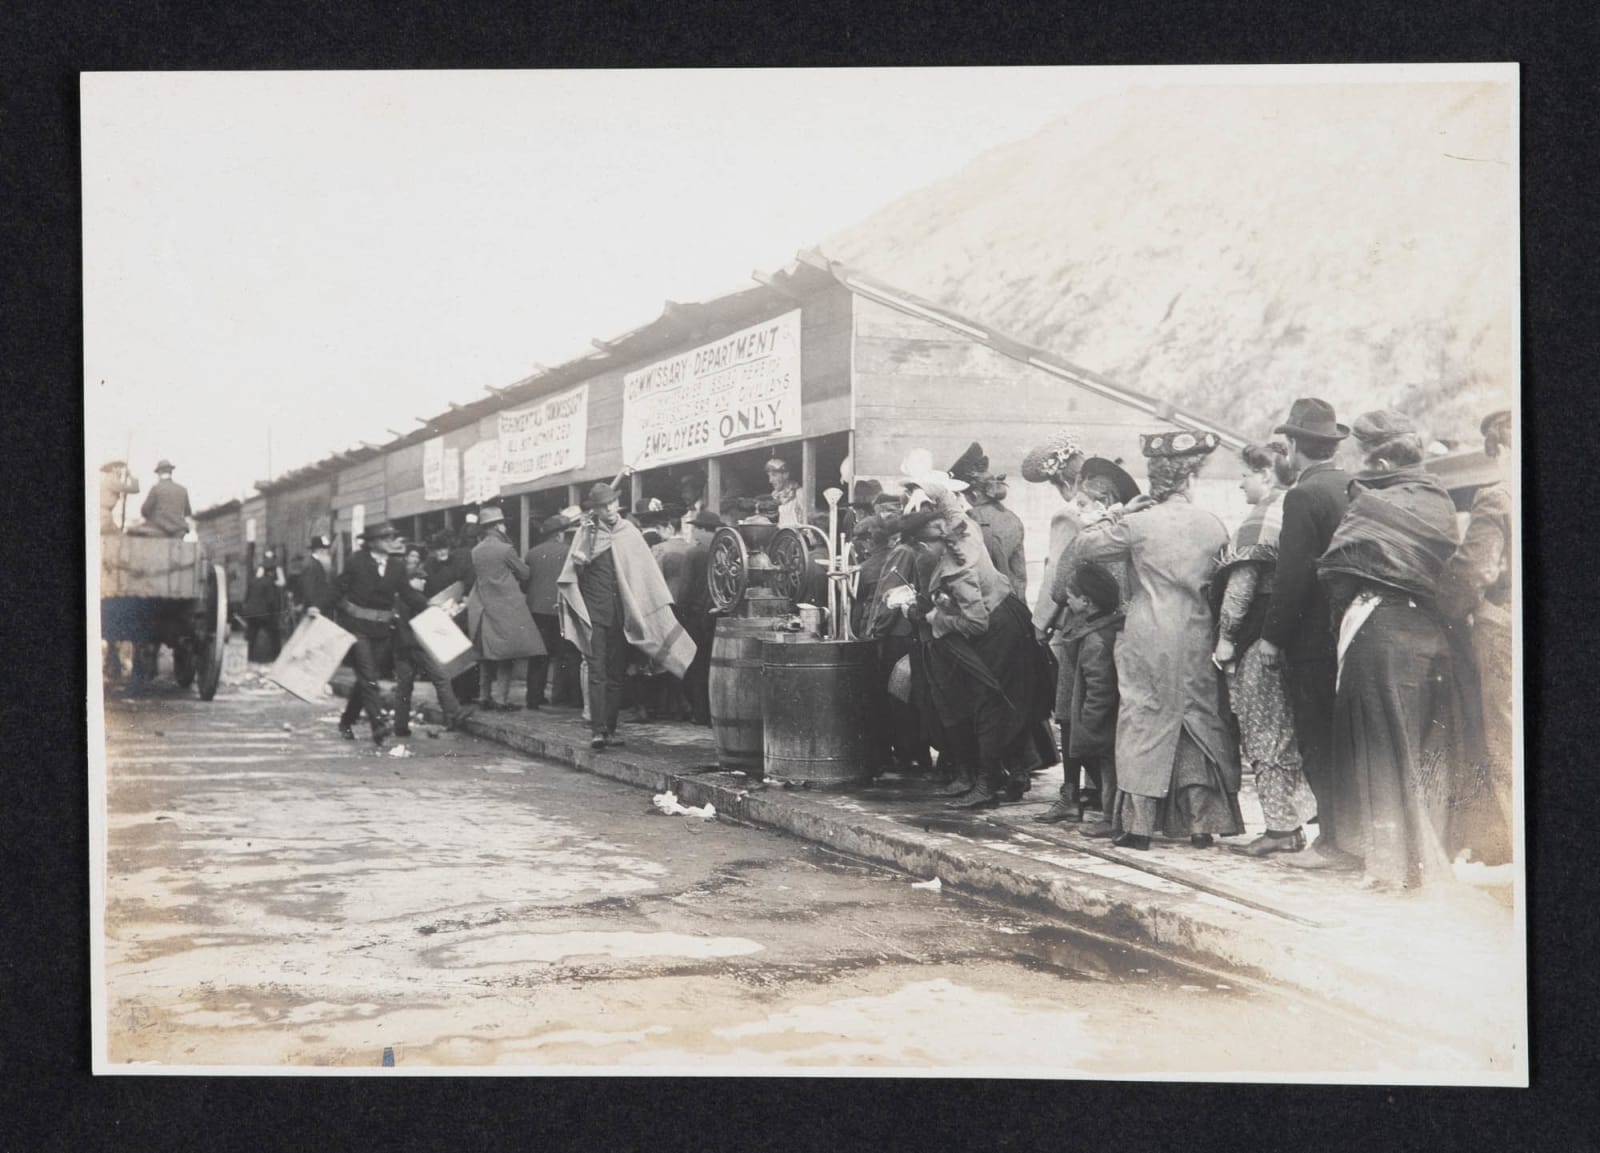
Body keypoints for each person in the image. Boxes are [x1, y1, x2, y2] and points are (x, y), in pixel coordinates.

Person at [1316, 410, 1485, 890]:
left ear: (1382, 455)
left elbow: (1338, 576)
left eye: (1358, 451)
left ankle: (1389, 867)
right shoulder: (1437, 498)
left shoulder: (1368, 506)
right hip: (1433, 630)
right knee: (1429, 747)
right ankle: (1430, 860)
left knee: (1381, 748)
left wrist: (1338, 623)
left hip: (1380, 630)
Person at [1070, 430, 1243, 851]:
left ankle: (1139, 828)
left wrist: (1117, 513)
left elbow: (1083, 548)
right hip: (1197, 633)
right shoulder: (1213, 524)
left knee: (1144, 722)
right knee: (1198, 721)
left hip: (1148, 634)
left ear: (1156, 479)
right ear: (1189, 478)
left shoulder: (1137, 524)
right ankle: (1202, 824)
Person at [880, 481, 1056, 809]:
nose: (919, 555)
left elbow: (976, 623)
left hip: (997, 627)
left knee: (990, 702)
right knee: (999, 702)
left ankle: (987, 785)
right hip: (1007, 614)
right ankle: (1010, 775)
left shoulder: (956, 570)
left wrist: (933, 616)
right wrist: (927, 485)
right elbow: (950, 503)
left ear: (929, 542)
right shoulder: (963, 529)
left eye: (919, 548)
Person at [1257, 398, 1355, 870]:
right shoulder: (1352, 486)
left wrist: (1272, 637)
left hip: (1312, 641)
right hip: (1350, 632)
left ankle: (1333, 842)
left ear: (1295, 445)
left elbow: (1292, 577)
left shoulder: (1302, 495)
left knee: (1316, 738)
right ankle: (1353, 836)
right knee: (1347, 739)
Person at [1211, 442, 1312, 857]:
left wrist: (1225, 639)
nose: (1240, 484)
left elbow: (1241, 589)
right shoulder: (1299, 508)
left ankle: (1279, 827)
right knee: (1287, 730)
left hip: (1260, 639)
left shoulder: (1261, 518)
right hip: (1298, 637)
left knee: (1264, 730)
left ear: (1267, 474)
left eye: (1246, 475)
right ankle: (1293, 822)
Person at [559, 481, 696, 750]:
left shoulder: (628, 532)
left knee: (616, 673)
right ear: (595, 509)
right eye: (602, 506)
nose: (609, 509)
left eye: (611, 504)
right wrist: (580, 562)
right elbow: (573, 575)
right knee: (597, 671)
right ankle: (598, 730)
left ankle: (609, 728)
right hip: (595, 613)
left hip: (624, 613)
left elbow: (644, 572)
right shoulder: (586, 533)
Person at [1436, 409, 1515, 865]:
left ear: (1499, 447)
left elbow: (1475, 571)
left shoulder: (1498, 496)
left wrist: (1447, 609)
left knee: (1506, 738)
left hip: (1503, 625)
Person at [1036, 561, 1124, 827]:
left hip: (1095, 722)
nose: (1067, 603)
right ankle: (1112, 815)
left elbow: (1099, 687)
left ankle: (1113, 820)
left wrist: (1088, 724)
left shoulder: (1094, 640)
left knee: (1107, 769)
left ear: (1085, 601)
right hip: (1097, 719)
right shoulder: (1105, 627)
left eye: (1071, 598)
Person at [326, 523, 412, 746]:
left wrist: (430, 606)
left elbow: (408, 593)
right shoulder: (357, 561)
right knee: (368, 675)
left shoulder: (397, 566)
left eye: (392, 537)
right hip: (356, 628)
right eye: (385, 538)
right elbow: (337, 588)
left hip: (381, 630)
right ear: (372, 542)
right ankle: (378, 723)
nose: (391, 541)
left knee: (367, 678)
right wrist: (318, 608)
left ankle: (347, 720)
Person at [468, 506, 544, 710]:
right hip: (506, 607)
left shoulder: (476, 551)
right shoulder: (505, 549)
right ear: (498, 526)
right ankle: (501, 699)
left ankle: (484, 696)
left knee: (486, 655)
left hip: (484, 605)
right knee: (506, 656)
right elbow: (525, 573)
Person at [391, 543, 473, 734]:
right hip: (418, 646)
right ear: (412, 580)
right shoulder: (414, 597)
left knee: (404, 687)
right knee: (441, 678)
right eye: (421, 580)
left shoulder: (398, 598)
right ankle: (454, 714)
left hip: (401, 648)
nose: (424, 583)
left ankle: (400, 726)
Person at [949, 442, 1029, 601]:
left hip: (988, 607)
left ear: (973, 495)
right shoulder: (1012, 518)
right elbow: (1019, 574)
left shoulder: (972, 519)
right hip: (1015, 606)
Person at [523, 511, 582, 709]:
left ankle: (534, 698)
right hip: (561, 611)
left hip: (536, 611)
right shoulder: (568, 552)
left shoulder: (531, 553)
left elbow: (525, 582)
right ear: (559, 534)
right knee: (568, 654)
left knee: (539, 655)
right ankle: (573, 698)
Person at [424, 528, 480, 706]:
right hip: (440, 615)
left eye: (444, 549)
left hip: (458, 613)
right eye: (438, 549)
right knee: (449, 656)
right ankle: (456, 693)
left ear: (449, 548)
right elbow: (427, 590)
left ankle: (469, 693)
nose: (441, 552)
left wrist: (462, 602)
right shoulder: (430, 566)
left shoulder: (459, 563)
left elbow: (467, 584)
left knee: (463, 653)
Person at [242, 548, 288, 663]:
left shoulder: (253, 581)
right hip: (264, 614)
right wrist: (275, 615)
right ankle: (277, 658)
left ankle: (247, 658)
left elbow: (246, 597)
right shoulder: (270, 582)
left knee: (251, 636)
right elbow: (271, 600)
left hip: (251, 613)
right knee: (274, 635)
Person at [133, 459, 193, 538]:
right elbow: (187, 512)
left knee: (133, 532)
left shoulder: (156, 488)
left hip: (159, 528)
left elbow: (145, 510)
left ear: (159, 473)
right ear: (171, 472)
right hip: (179, 530)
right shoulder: (182, 489)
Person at [763, 457, 807, 527]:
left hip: (797, 536)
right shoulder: (775, 495)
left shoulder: (799, 493)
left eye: (774, 475)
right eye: (769, 476)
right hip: (782, 536)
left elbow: (810, 521)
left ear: (786, 475)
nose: (770, 480)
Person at [99, 460, 140, 534]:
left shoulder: (109, 479)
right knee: (119, 538)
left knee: (119, 537)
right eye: (120, 468)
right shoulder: (112, 480)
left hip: (105, 514)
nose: (121, 472)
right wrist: (130, 475)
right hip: (104, 515)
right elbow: (135, 489)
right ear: (114, 469)